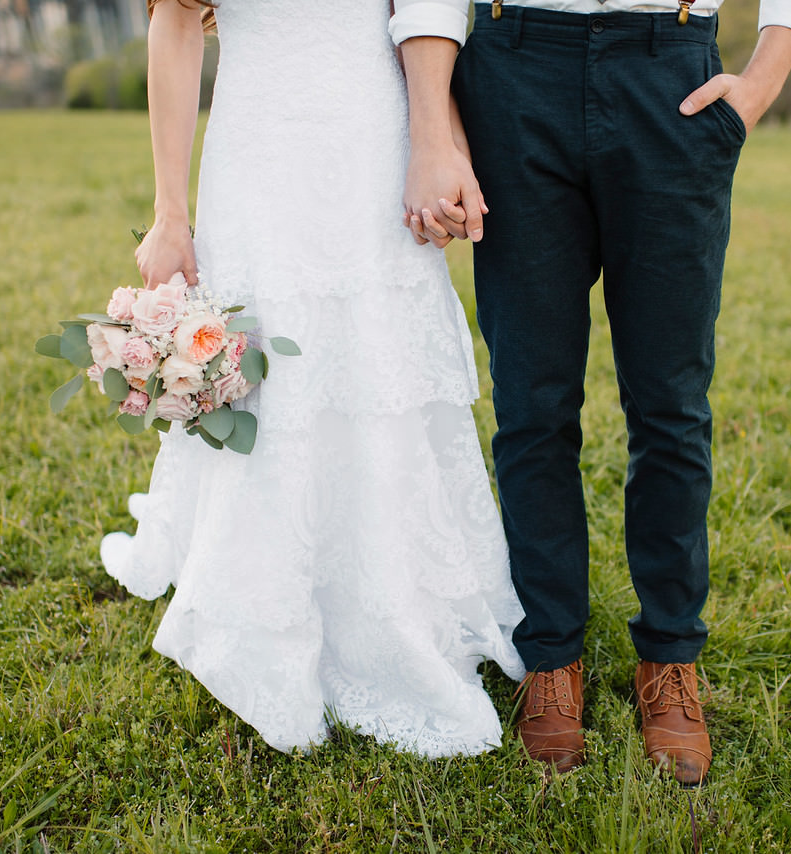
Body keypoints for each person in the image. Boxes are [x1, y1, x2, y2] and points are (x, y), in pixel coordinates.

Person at [396, 0, 791, 782]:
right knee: (532, 404)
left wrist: (761, 82)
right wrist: (431, 126)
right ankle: (551, 659)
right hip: (512, 68)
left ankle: (668, 659)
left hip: (669, 71)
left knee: (670, 405)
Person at [98, 0, 525, 758]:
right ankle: (264, 602)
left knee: (376, 363)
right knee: (272, 367)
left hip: (375, 142)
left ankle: (393, 599)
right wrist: (170, 211)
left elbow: (422, 17)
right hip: (257, 157)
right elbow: (173, 24)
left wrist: (443, 144)